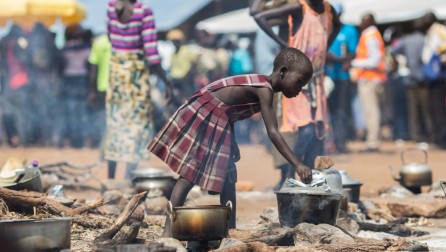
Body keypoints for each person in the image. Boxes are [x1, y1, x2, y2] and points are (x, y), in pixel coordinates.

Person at [148, 47, 313, 235]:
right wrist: (298, 164)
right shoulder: (264, 89)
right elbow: (273, 132)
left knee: (228, 174)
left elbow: (230, 109)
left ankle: (230, 229)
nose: (300, 89)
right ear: (283, 72)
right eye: (299, 82)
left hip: (218, 116)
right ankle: (168, 231)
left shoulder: (264, 87)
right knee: (190, 174)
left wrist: (231, 142)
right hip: (207, 112)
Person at [251, 0, 340, 190]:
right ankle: (290, 176)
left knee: (316, 131)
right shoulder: (298, 8)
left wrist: (325, 46)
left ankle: (307, 177)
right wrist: (283, 43)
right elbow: (257, 14)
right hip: (293, 81)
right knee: (300, 130)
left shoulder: (327, 9)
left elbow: (338, 25)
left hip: (316, 78)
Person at [104, 0, 172, 179]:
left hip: (116, 73)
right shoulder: (143, 11)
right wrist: (166, 81)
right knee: (136, 125)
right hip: (135, 75)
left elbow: (111, 37)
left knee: (115, 123)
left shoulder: (111, 6)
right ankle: (128, 178)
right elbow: (151, 53)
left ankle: (111, 179)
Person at [389, 18, 432, 144]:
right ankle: (428, 135)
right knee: (426, 110)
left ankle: (416, 136)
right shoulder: (426, 40)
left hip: (410, 79)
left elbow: (392, 50)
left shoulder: (405, 40)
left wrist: (403, 60)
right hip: (425, 79)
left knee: (412, 111)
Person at [325, 3, 359, 154]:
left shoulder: (349, 30)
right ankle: (329, 142)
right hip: (326, 76)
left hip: (342, 77)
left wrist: (338, 60)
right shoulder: (323, 29)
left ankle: (341, 142)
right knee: (327, 112)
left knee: (341, 111)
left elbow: (352, 53)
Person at [350, 13, 387, 152]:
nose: (361, 22)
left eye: (364, 20)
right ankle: (373, 140)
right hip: (370, 78)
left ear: (370, 21)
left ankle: (373, 142)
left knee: (372, 111)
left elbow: (375, 60)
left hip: (370, 78)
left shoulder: (370, 36)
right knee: (371, 111)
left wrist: (354, 63)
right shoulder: (370, 35)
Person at [421, 12, 446, 149]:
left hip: (439, 76)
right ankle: (438, 138)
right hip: (432, 76)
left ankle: (443, 140)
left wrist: (442, 61)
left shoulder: (439, 30)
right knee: (434, 109)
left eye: (425, 18)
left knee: (439, 109)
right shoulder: (431, 31)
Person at [88, 33, 112, 149]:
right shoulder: (123, 40)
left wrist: (92, 90)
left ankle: (105, 148)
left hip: (103, 87)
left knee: (105, 118)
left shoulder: (99, 42)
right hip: (118, 87)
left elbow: (93, 69)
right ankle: (107, 148)